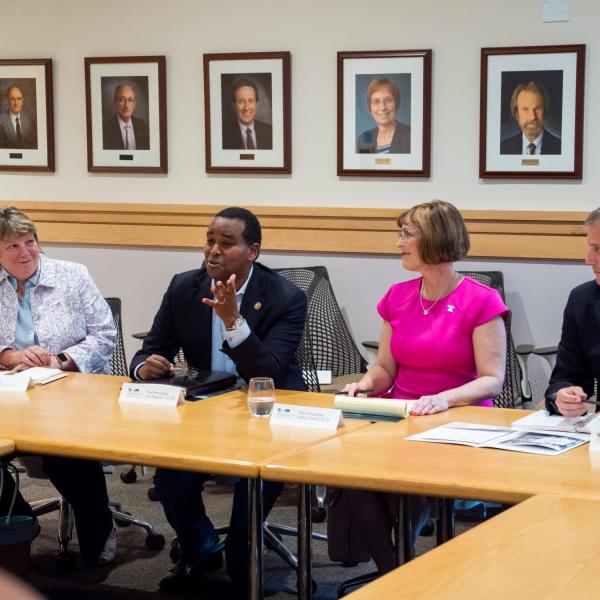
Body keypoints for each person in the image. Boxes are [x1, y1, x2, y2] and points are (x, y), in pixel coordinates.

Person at [129, 207, 306, 594]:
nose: (213, 251)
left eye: (226, 244)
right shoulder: (183, 287)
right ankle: (201, 546)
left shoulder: (285, 297)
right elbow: (148, 351)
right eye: (210, 240)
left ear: (253, 251)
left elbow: (271, 371)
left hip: (267, 413)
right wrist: (145, 367)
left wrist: (232, 321)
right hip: (204, 411)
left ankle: (243, 548)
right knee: (171, 475)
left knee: (244, 570)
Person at [337, 200, 508, 576]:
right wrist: (364, 385)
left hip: (459, 419)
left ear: (434, 238)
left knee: (409, 477)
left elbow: (492, 378)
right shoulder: (397, 296)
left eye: (406, 234)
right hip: (402, 415)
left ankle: (395, 574)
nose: (398, 242)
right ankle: (398, 573)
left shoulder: (481, 301)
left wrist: (441, 399)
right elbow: (384, 367)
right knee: (351, 475)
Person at [0, 207, 117, 565]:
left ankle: (99, 533)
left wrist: (60, 360)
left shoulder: (72, 276)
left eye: (30, 242)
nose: (25, 253)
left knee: (65, 457)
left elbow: (106, 334)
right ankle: (20, 523)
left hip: (72, 391)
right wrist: (10, 355)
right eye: (13, 247)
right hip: (11, 395)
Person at [546, 208, 600, 417]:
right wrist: (562, 397)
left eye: (598, 249)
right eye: (590, 248)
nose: (588, 259)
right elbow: (566, 377)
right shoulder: (582, 300)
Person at [500, 81, 561, 155]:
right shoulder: (503, 148)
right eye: (525, 109)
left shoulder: (560, 148)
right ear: (517, 114)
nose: (532, 117)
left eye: (538, 109)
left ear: (545, 112)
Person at [356, 77, 410, 154]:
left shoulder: (410, 136)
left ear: (397, 103)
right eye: (376, 101)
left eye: (388, 100)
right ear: (370, 107)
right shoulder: (364, 139)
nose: (382, 107)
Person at [222, 78, 273, 150]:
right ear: (234, 105)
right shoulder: (223, 135)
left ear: (256, 104)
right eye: (241, 101)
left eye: (250, 101)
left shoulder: (270, 131)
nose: (246, 107)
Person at [102, 83, 150, 150]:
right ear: (115, 102)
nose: (126, 105)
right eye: (122, 99)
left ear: (134, 104)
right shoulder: (105, 130)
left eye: (130, 100)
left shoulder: (143, 126)